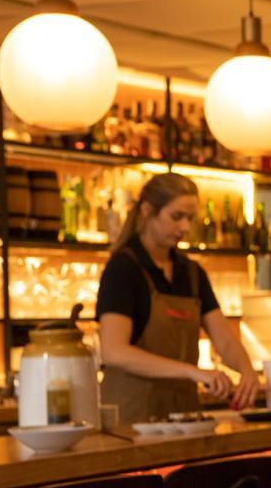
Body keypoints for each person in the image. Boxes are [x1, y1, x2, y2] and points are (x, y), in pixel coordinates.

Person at [97, 173, 258, 424]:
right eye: (176, 217)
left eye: (190, 218)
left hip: (184, 419)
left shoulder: (192, 273)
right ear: (148, 211)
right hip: (131, 422)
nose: (184, 227)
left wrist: (246, 370)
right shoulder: (123, 269)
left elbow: (225, 341)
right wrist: (193, 372)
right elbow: (114, 351)